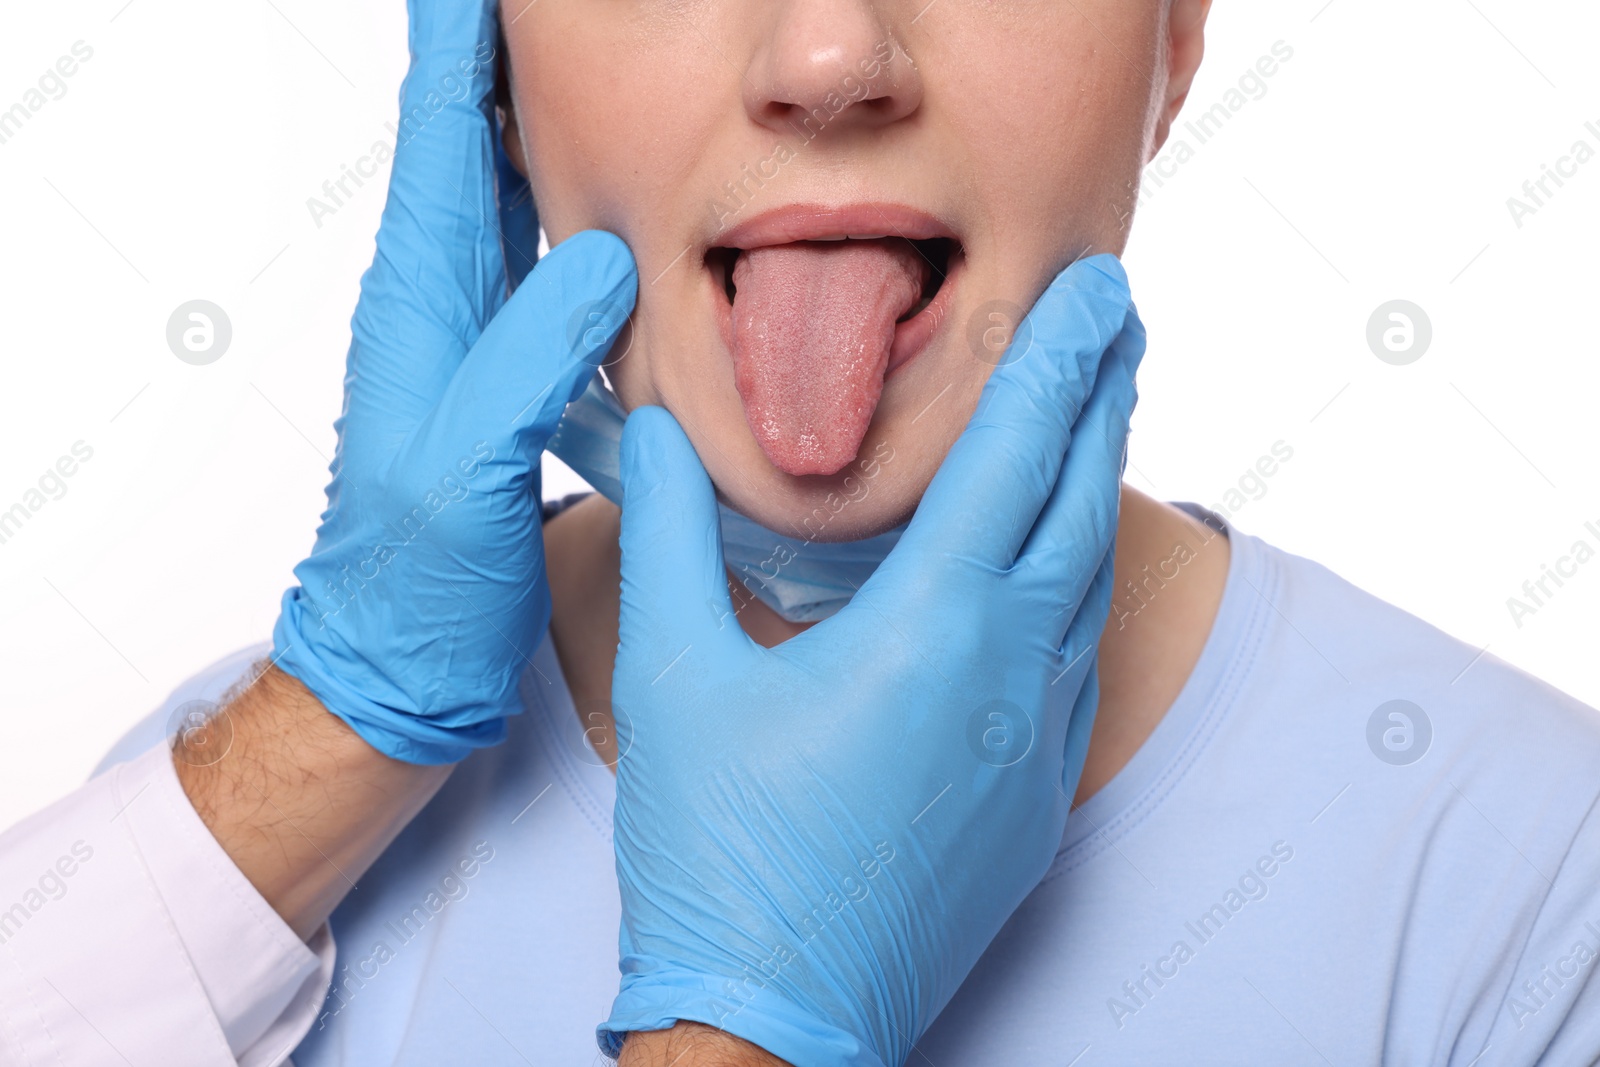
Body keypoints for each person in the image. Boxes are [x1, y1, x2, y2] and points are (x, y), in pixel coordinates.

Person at [2, 3, 1597, 1067]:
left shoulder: (1541, 892)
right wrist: (340, 720)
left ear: (1173, 38)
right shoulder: (233, 860)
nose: (830, 56)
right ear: (493, 66)